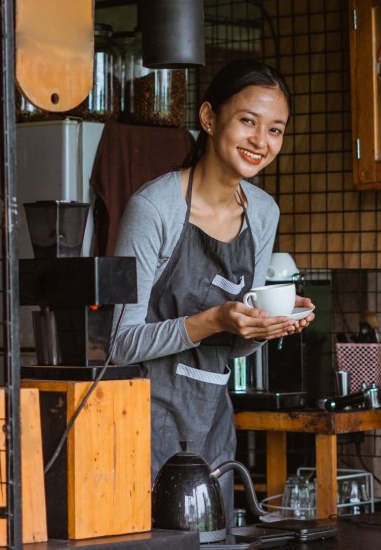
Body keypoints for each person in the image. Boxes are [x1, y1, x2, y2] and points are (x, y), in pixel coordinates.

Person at [110, 59, 314, 506]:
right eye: (247, 121)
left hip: (212, 422)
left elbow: (235, 346)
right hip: (142, 418)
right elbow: (119, 344)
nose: (261, 141)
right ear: (208, 118)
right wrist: (213, 318)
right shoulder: (154, 209)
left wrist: (264, 328)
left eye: (276, 129)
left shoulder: (262, 213)